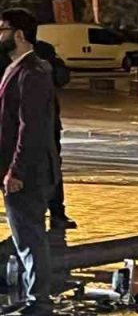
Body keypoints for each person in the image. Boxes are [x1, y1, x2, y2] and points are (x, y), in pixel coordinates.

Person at [0, 8, 61, 316]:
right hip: (21, 170)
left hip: (29, 173)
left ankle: (38, 304)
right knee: (24, 237)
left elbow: (31, 127)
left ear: (19, 34)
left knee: (30, 238)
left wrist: (17, 171)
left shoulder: (33, 72)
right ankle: (30, 298)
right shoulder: (18, 68)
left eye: (2, 29)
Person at [32, 38, 73, 231]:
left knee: (51, 167)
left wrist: (50, 67)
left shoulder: (43, 51)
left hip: (46, 123)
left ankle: (57, 213)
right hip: (16, 124)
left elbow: (62, 77)